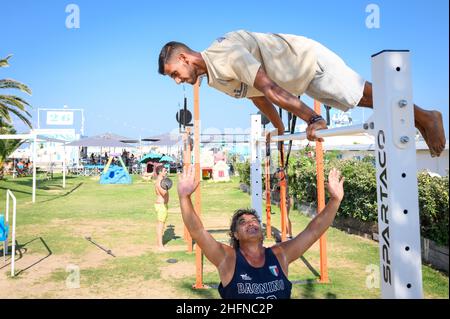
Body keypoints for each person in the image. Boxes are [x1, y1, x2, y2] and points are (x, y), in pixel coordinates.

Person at [158, 30, 445, 157]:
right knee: (360, 101)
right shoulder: (213, 79)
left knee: (360, 93)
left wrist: (312, 119)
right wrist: (280, 130)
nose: (177, 81)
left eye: (174, 73)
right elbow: (257, 95)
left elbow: (268, 86)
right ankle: (418, 117)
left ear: (184, 58)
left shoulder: (226, 53)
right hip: (301, 82)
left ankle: (426, 116)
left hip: (307, 59)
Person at [177, 166, 344, 299]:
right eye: (243, 222)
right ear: (235, 235)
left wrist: (335, 200)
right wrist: (184, 197)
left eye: (254, 220)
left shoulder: (281, 255)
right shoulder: (227, 258)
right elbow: (197, 231)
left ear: (262, 231)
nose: (250, 223)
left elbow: (313, 231)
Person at [272, 171, 293, 239]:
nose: (276, 176)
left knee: (286, 217)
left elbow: (276, 191)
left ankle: (289, 234)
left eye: (276, 174)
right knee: (285, 216)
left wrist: (273, 189)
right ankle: (287, 232)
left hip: (285, 200)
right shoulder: (283, 181)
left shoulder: (282, 181)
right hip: (285, 200)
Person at [154, 165, 170, 251]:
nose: (166, 172)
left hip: (163, 205)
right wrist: (167, 187)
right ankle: (160, 246)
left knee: (162, 225)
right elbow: (163, 193)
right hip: (161, 206)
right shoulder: (159, 181)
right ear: (160, 172)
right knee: (160, 226)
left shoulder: (161, 181)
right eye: (164, 170)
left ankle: (160, 244)